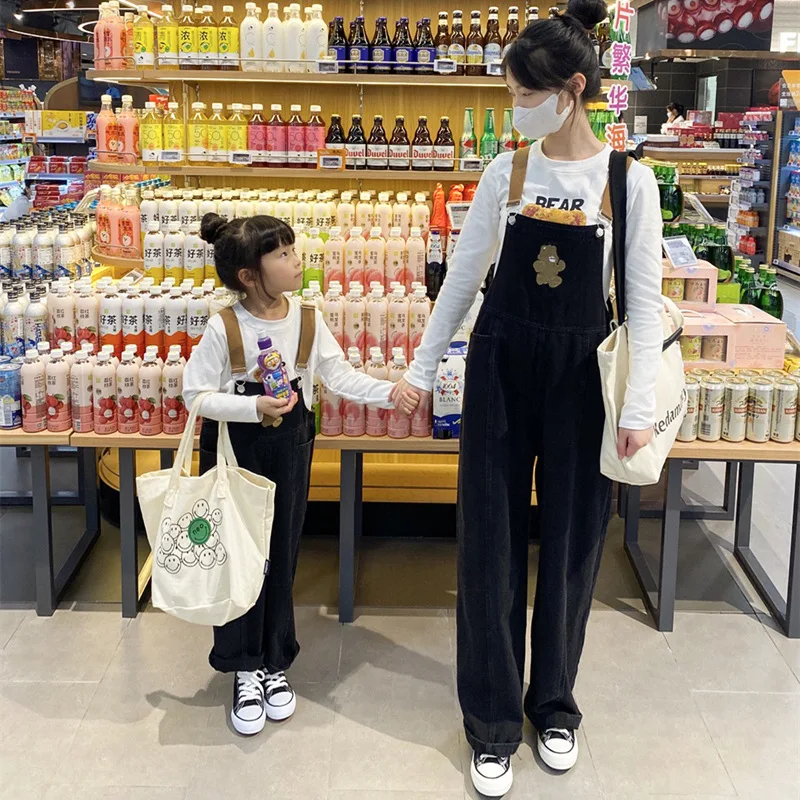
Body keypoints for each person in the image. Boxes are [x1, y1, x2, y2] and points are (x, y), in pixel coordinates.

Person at [390, 0, 663, 795]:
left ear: (570, 90)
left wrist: (639, 408)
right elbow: (463, 279)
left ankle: (555, 707)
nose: (515, 108)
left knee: (578, 547)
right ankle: (492, 722)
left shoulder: (629, 181)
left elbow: (642, 305)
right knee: (490, 545)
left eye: (521, 94)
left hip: (585, 376)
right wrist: (421, 366)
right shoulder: (505, 171)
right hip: (502, 366)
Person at [183, 214, 418, 736]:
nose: (296, 261)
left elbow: (338, 376)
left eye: (293, 250)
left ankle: (274, 661)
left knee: (282, 553)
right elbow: (195, 394)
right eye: (283, 254)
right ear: (249, 275)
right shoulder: (224, 326)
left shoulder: (307, 319)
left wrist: (391, 392)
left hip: (293, 445)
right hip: (235, 450)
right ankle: (243, 666)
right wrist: (252, 406)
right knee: (239, 558)